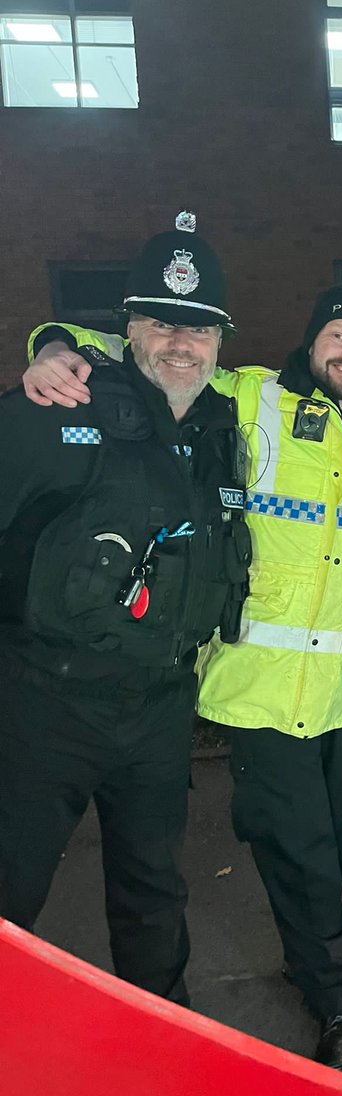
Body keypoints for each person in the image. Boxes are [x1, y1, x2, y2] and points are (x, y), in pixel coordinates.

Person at [23, 281, 342, 1073]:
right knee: (302, 844)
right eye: (338, 337)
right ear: (311, 343)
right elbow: (151, 351)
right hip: (257, 686)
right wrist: (54, 346)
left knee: (329, 845)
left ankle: (310, 952)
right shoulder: (252, 399)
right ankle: (341, 993)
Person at [0, 211, 251, 1007]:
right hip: (46, 703)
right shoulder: (60, 404)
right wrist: (47, 354)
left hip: (158, 709)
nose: (182, 342)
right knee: (12, 890)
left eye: (201, 328)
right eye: (162, 322)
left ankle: (160, 1039)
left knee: (153, 891)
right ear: (128, 330)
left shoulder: (222, 426)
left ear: (219, 341)